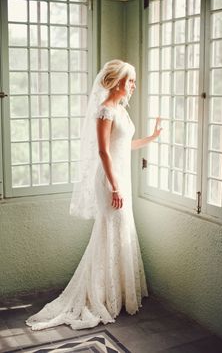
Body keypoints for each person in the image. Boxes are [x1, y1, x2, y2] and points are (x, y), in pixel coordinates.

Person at [25, 59, 162, 331]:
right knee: (109, 231)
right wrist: (114, 186)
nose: (134, 85)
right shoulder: (104, 112)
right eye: (131, 80)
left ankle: (119, 294)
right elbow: (103, 152)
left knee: (122, 231)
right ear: (118, 81)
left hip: (122, 178)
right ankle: (101, 296)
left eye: (134, 81)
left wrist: (151, 138)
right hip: (110, 181)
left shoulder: (122, 111)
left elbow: (123, 144)